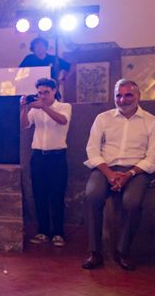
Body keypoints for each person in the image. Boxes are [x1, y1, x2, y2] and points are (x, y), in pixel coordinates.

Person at [82, 79, 155, 271]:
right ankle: (95, 252)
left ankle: (123, 251)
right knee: (92, 195)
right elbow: (92, 149)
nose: (123, 100)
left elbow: (152, 157)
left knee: (132, 203)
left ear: (138, 96)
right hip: (105, 167)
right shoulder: (103, 118)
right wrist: (109, 173)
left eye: (128, 95)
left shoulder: (151, 121)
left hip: (137, 170)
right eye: (118, 95)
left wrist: (129, 174)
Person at [20, 78, 72, 247]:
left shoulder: (64, 107)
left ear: (54, 91)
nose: (42, 96)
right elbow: (25, 125)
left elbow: (63, 120)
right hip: (38, 156)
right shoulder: (36, 109)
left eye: (46, 92)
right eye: (39, 93)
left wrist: (44, 107)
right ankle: (42, 231)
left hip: (57, 156)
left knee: (56, 195)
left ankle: (58, 233)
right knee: (39, 194)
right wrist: (24, 107)